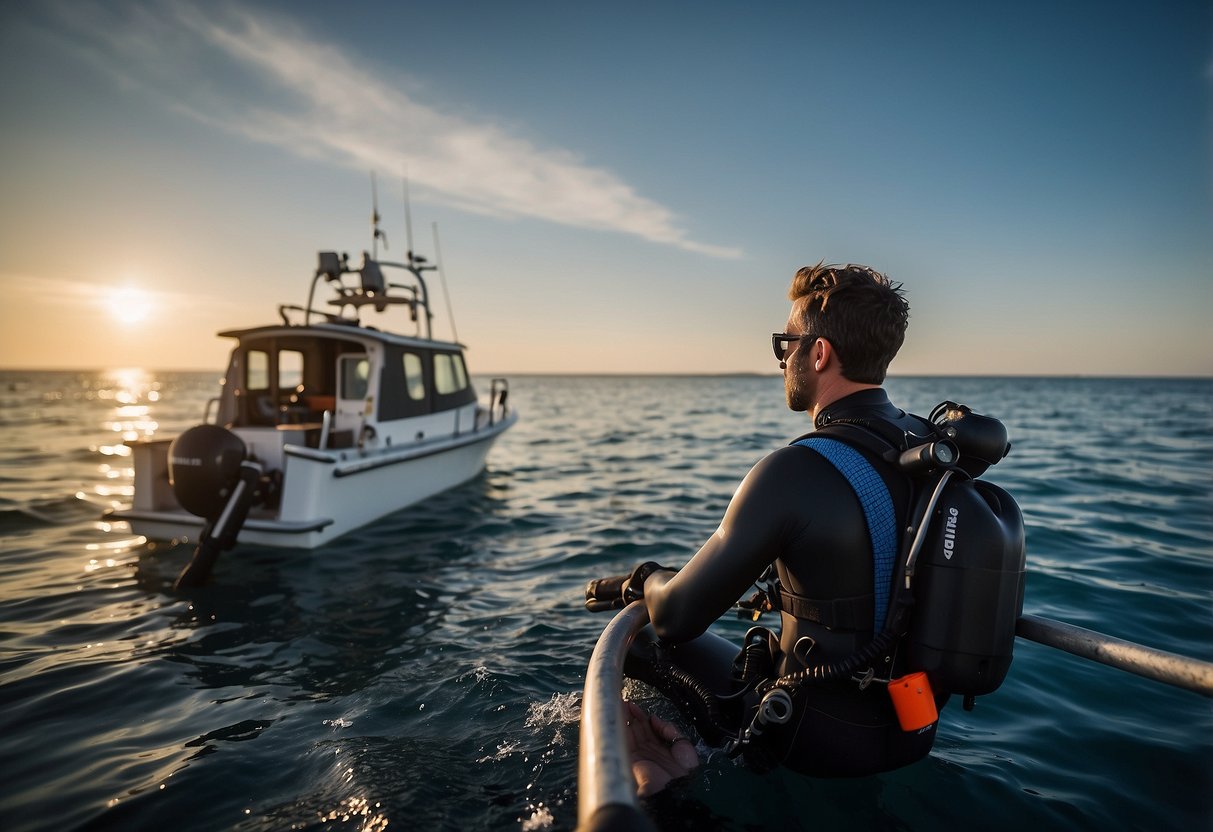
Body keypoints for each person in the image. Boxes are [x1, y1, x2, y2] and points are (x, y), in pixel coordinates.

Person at [587, 262, 947, 789]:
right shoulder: (927, 449)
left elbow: (677, 617)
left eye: (787, 344)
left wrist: (645, 580)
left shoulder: (794, 470)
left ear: (819, 353)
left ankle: (676, 795)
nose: (783, 361)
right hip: (914, 726)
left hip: (815, 738)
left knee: (641, 641)